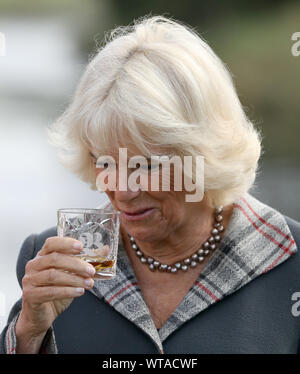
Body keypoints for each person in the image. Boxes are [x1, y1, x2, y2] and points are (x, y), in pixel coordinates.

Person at [1, 15, 300, 354]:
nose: (123, 190)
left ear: (203, 155)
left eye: (146, 165)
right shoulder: (52, 260)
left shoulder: (291, 264)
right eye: (105, 161)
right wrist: (28, 333)